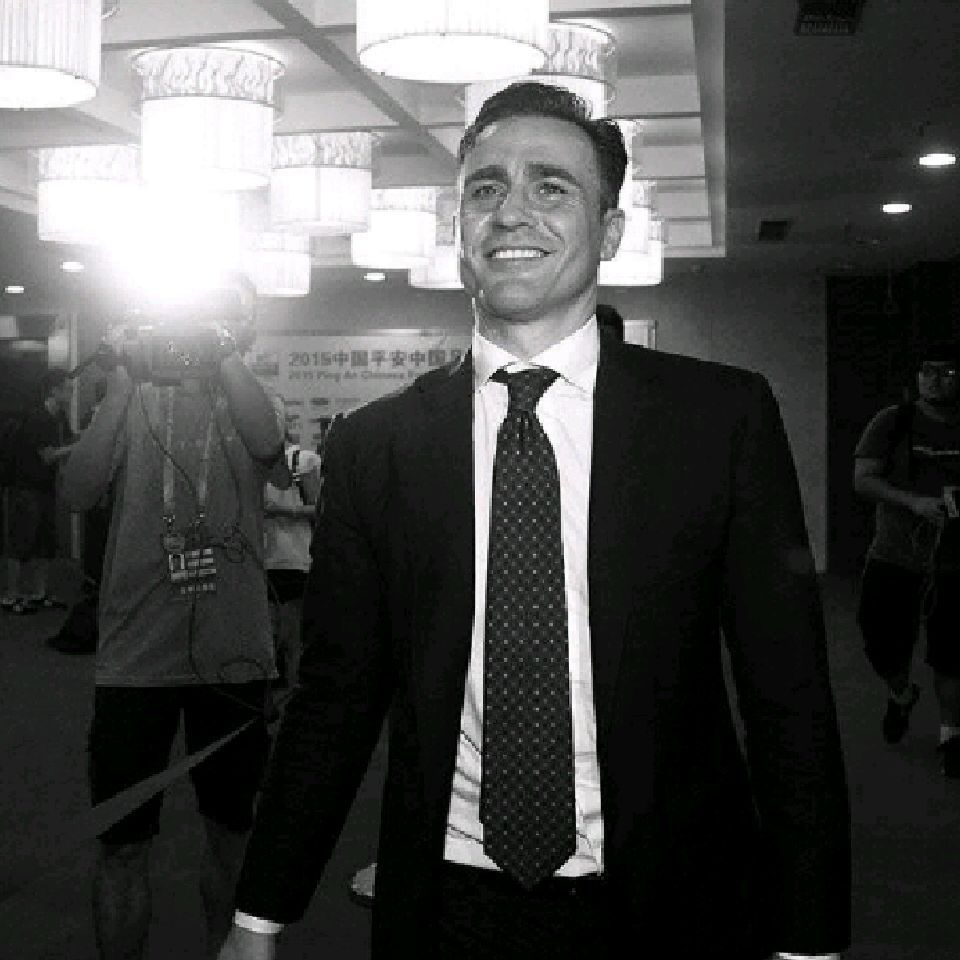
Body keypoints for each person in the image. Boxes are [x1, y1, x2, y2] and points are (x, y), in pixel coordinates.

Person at [219, 82, 850, 960]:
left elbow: (787, 690)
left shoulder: (719, 420)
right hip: (449, 903)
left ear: (611, 231)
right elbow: (335, 696)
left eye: (551, 186)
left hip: (670, 896)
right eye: (486, 188)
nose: (511, 211)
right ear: (460, 228)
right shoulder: (378, 446)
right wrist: (259, 915)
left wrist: (811, 935)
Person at [60, 281, 288, 960]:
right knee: (122, 843)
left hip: (232, 654)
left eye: (229, 313)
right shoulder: (129, 401)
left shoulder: (251, 397)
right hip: (134, 658)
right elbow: (77, 491)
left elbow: (267, 441)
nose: (207, 322)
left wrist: (221, 351)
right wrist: (122, 384)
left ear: (247, 328)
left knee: (232, 834)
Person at [853, 340, 960, 776]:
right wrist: (913, 502)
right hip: (895, 554)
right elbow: (863, 480)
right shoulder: (893, 421)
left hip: (955, 562)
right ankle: (901, 694)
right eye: (927, 371)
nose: (936, 380)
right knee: (879, 641)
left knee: (952, 652)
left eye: (947, 372)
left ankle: (951, 735)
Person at [1, 369, 75, 614]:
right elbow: (48, 456)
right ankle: (11, 596)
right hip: (25, 488)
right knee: (20, 543)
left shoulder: (59, 417)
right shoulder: (38, 418)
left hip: (44, 487)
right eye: (67, 389)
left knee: (45, 542)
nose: (71, 393)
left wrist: (89, 437)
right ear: (54, 390)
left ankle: (38, 594)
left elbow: (68, 442)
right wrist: (79, 447)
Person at [263, 428, 321, 687]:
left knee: (291, 637)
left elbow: (319, 509)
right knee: (279, 638)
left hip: (294, 558)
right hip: (268, 561)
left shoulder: (302, 461)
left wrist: (282, 510)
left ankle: (294, 691)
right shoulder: (251, 464)